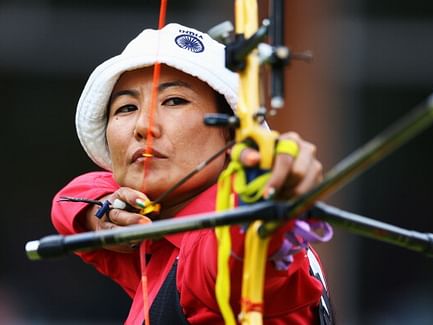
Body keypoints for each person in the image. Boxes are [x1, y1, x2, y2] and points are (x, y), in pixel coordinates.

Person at [51, 23, 334, 324]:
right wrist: (104, 213)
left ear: (232, 134)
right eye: (126, 107)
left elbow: (236, 255)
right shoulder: (155, 241)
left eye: (174, 101)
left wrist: (271, 195)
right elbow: (68, 202)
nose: (144, 127)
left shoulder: (203, 251)